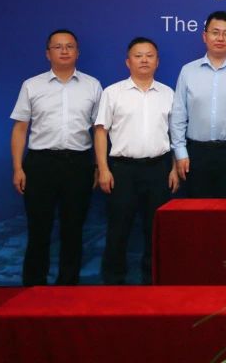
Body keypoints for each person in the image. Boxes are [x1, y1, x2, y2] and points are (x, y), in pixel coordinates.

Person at [10, 29, 102, 286]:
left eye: (69, 46)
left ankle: (67, 287)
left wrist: (98, 166)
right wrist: (17, 167)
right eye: (58, 46)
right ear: (47, 53)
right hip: (41, 164)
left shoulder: (92, 85)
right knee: (39, 228)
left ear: (77, 52)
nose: (64, 51)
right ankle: (34, 286)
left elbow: (99, 129)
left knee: (73, 229)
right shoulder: (32, 85)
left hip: (78, 164)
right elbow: (20, 129)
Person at [94, 37, 178, 284]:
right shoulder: (113, 93)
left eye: (149, 56)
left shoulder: (168, 93)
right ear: (127, 61)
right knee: (118, 228)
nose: (144, 60)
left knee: (156, 229)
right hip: (122, 170)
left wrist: (174, 168)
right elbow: (100, 131)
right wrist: (103, 169)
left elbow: (176, 134)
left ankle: (154, 281)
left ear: (157, 61)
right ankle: (113, 281)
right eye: (138, 56)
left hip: (158, 168)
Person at [171, 11, 226, 198]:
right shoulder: (188, 71)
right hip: (195, 154)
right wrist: (180, 152)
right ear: (205, 36)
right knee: (197, 211)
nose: (220, 38)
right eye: (215, 32)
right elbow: (178, 115)